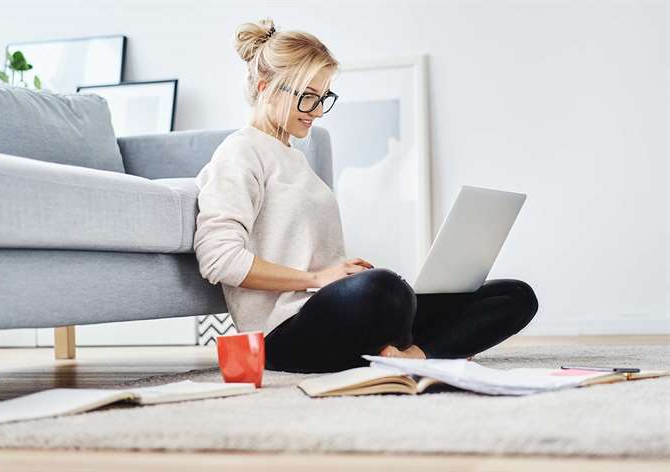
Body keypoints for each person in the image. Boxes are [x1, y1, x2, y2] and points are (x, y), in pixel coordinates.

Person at [194, 18, 539, 374]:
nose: (316, 110)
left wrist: (340, 275)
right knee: (385, 290)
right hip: (283, 332)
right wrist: (316, 279)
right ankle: (428, 343)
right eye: (307, 97)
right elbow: (219, 259)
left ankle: (410, 356)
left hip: (335, 312)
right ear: (266, 87)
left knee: (515, 295)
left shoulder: (294, 158)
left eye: (323, 96)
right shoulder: (239, 153)